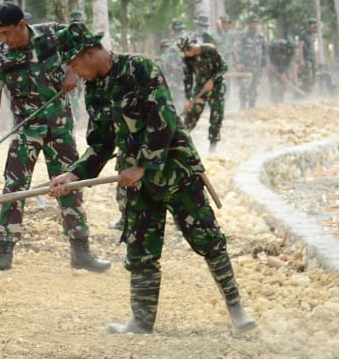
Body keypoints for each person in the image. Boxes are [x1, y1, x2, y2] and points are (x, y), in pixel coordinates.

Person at [47, 23, 256, 334]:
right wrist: (73, 173)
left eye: (75, 65)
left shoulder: (141, 68)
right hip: (135, 179)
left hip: (175, 170)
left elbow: (164, 121)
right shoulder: (95, 90)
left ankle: (236, 308)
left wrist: (143, 166)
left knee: (208, 239)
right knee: (140, 248)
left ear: (88, 53)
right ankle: (142, 321)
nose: (75, 74)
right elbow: (102, 143)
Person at [0, 2, 109, 273]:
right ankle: (3, 254)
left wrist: (71, 71)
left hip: (60, 128)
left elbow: (86, 40)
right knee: (14, 187)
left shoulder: (52, 35)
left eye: (7, 33)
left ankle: (81, 252)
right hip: (26, 130)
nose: (3, 40)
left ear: (23, 25)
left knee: (69, 185)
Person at [179, 17, 228, 152]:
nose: (188, 55)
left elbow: (224, 67)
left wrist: (212, 80)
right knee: (192, 114)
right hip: (200, 88)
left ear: (194, 47)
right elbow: (188, 78)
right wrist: (188, 97)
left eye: (189, 52)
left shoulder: (210, 50)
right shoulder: (187, 58)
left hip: (217, 86)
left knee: (216, 115)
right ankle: (181, 144)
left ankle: (213, 146)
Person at [238, 17, 267, 109]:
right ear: (249, 23)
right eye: (253, 22)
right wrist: (239, 63)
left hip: (257, 66)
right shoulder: (243, 36)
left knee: (254, 86)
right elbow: (238, 49)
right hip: (246, 65)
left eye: (256, 23)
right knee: (244, 84)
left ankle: (252, 105)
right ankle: (243, 104)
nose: (255, 24)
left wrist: (265, 63)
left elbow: (265, 50)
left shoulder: (261, 36)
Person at [267, 36, 295, 102]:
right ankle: (274, 100)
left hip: (281, 65)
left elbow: (287, 63)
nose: (289, 51)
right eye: (288, 49)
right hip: (273, 64)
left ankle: (281, 99)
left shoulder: (291, 51)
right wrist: (268, 64)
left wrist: (283, 73)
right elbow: (268, 55)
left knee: (283, 82)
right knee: (274, 84)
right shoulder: (275, 46)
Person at [297, 19, 320, 94]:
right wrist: (301, 60)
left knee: (313, 76)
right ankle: (306, 91)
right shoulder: (303, 34)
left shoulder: (313, 35)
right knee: (308, 75)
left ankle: (310, 92)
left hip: (312, 57)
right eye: (314, 27)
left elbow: (315, 48)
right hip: (306, 58)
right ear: (309, 26)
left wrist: (316, 61)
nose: (315, 28)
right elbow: (300, 47)